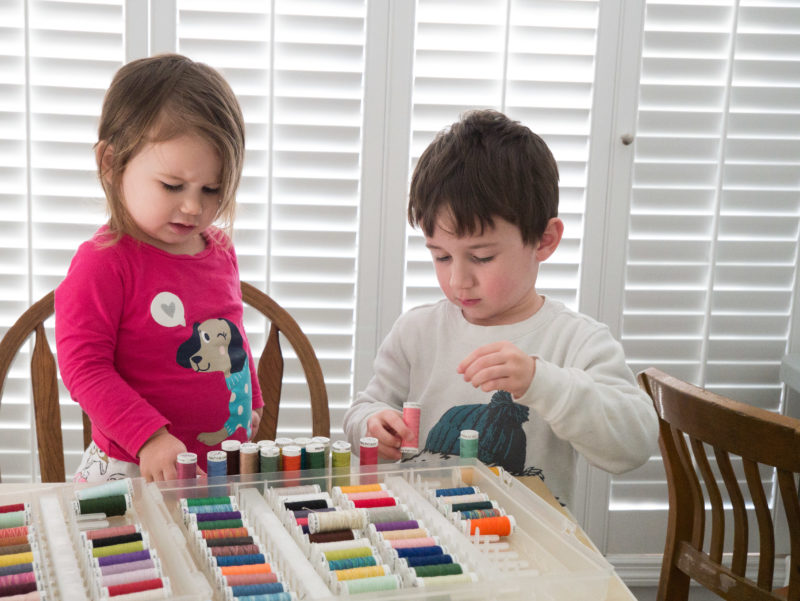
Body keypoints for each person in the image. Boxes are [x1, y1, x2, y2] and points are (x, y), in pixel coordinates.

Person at [342, 109, 658, 509]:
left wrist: (541, 382)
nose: (458, 280)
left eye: (482, 257)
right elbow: (364, 407)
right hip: (423, 537)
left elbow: (634, 445)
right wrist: (372, 425)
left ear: (543, 240)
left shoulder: (577, 341)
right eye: (441, 257)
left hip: (528, 550)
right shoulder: (417, 331)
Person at [55, 54, 263, 483]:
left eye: (212, 189)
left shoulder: (219, 249)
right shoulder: (104, 264)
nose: (193, 206)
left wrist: (251, 399)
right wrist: (148, 437)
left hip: (214, 466)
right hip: (131, 469)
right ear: (111, 164)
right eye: (172, 186)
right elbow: (84, 368)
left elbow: (233, 333)